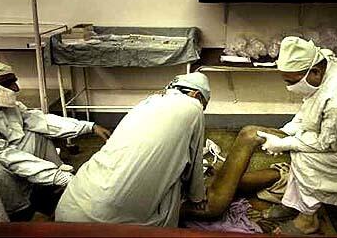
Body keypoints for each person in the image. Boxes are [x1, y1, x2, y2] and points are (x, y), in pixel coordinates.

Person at [55, 72, 281, 226]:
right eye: (204, 104)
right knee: (212, 203)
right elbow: (194, 186)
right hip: (107, 221)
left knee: (203, 175)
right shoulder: (192, 107)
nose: (202, 109)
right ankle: (266, 157)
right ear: (196, 95)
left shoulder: (148, 102)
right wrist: (196, 194)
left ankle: (280, 174)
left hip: (69, 206)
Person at [256, 36, 337, 235]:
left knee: (304, 158)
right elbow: (311, 106)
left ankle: (307, 219)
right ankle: (294, 203)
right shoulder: (325, 66)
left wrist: (286, 143)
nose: (288, 86)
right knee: (297, 147)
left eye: (291, 82)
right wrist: (287, 131)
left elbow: (328, 143)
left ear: (314, 71)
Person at [0, 58, 111, 221]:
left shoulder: (5, 105)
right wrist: (56, 176)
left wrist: (89, 127)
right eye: (8, 84)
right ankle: (7, 220)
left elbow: (40, 121)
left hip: (8, 158)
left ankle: (50, 193)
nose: (16, 88)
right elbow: (6, 156)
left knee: (36, 133)